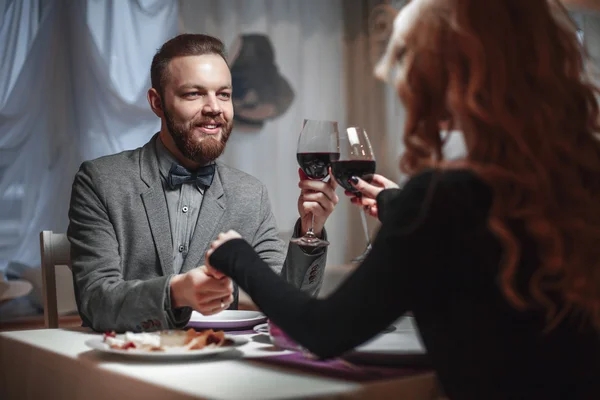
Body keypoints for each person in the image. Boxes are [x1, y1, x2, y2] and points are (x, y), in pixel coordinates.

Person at [204, 0, 600, 398]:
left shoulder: (440, 198)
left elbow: (323, 331)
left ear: (446, 72)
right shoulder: (577, 181)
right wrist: (398, 205)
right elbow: (481, 237)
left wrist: (238, 256)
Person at [67, 34, 338, 333]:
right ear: (158, 103)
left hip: (219, 367)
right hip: (126, 366)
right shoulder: (101, 181)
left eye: (223, 94)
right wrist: (176, 292)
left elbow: (288, 304)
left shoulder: (250, 194)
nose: (214, 108)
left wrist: (309, 227)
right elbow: (96, 302)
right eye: (194, 94)